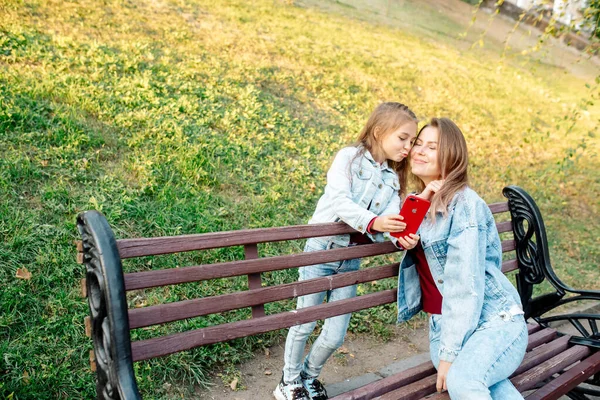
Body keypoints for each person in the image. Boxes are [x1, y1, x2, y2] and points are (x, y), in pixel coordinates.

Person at [274, 102, 420, 400]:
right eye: (403, 138)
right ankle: (287, 382)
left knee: (336, 334)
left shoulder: (392, 179)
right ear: (380, 131)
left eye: (412, 141)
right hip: (321, 252)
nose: (408, 147)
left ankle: (309, 377)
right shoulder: (348, 159)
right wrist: (375, 222)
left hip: (350, 261)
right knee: (304, 322)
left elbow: (391, 221)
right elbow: (340, 202)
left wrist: (401, 238)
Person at [397, 117, 528, 399]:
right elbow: (397, 232)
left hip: (495, 321)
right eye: (418, 144)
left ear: (451, 157)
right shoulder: (419, 201)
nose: (419, 150)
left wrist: (450, 353)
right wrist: (419, 203)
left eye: (431, 147)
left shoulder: (465, 205)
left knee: (463, 381)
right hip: (445, 327)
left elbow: (463, 285)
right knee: (486, 386)